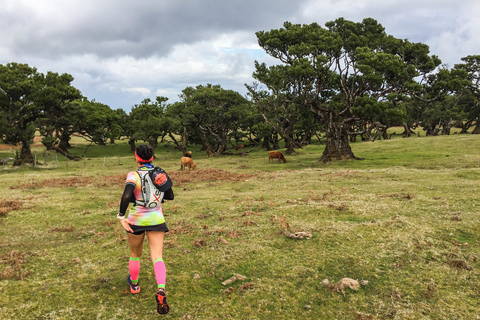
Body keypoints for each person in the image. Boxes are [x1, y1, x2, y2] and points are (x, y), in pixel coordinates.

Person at [117, 144, 174, 314]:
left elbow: (127, 195)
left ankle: (134, 284)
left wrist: (121, 216)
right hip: (156, 219)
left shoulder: (133, 175)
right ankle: (161, 289)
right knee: (157, 256)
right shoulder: (159, 173)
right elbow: (170, 195)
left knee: (135, 254)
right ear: (151, 157)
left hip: (136, 220)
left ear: (137, 158)